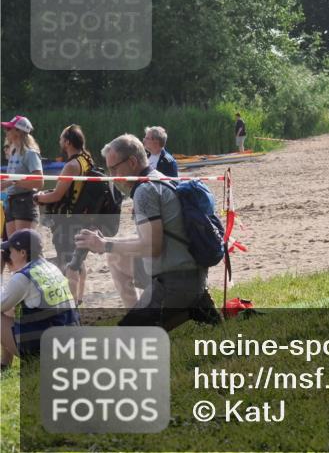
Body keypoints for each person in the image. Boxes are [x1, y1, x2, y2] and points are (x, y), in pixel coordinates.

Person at [74, 134, 220, 329]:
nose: (112, 176)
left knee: (125, 341)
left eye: (114, 168)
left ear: (132, 162)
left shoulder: (144, 191)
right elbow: (151, 239)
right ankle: (158, 310)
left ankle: (184, 306)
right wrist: (106, 244)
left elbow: (152, 247)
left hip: (175, 283)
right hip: (192, 274)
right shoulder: (158, 178)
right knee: (115, 258)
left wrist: (105, 244)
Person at [35, 125, 98, 305]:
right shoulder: (87, 159)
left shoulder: (71, 165)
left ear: (68, 142)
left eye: (61, 138)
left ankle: (70, 304)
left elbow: (56, 195)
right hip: (84, 217)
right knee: (78, 259)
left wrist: (38, 197)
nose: (59, 141)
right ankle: (79, 298)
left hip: (68, 220)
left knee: (67, 262)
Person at [1, 229, 80, 368]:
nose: (9, 255)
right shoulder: (51, 267)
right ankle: (4, 363)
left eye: (11, 251)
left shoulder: (23, 277)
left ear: (22, 253)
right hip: (70, 343)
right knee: (11, 308)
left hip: (46, 351)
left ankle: (15, 362)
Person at [1, 116, 42, 237]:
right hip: (11, 201)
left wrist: (13, 182)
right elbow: (12, 179)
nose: (5, 131)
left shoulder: (30, 153)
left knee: (22, 248)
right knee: (12, 248)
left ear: (18, 131)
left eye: (9, 128)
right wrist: (7, 182)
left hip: (25, 202)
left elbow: (39, 182)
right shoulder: (13, 152)